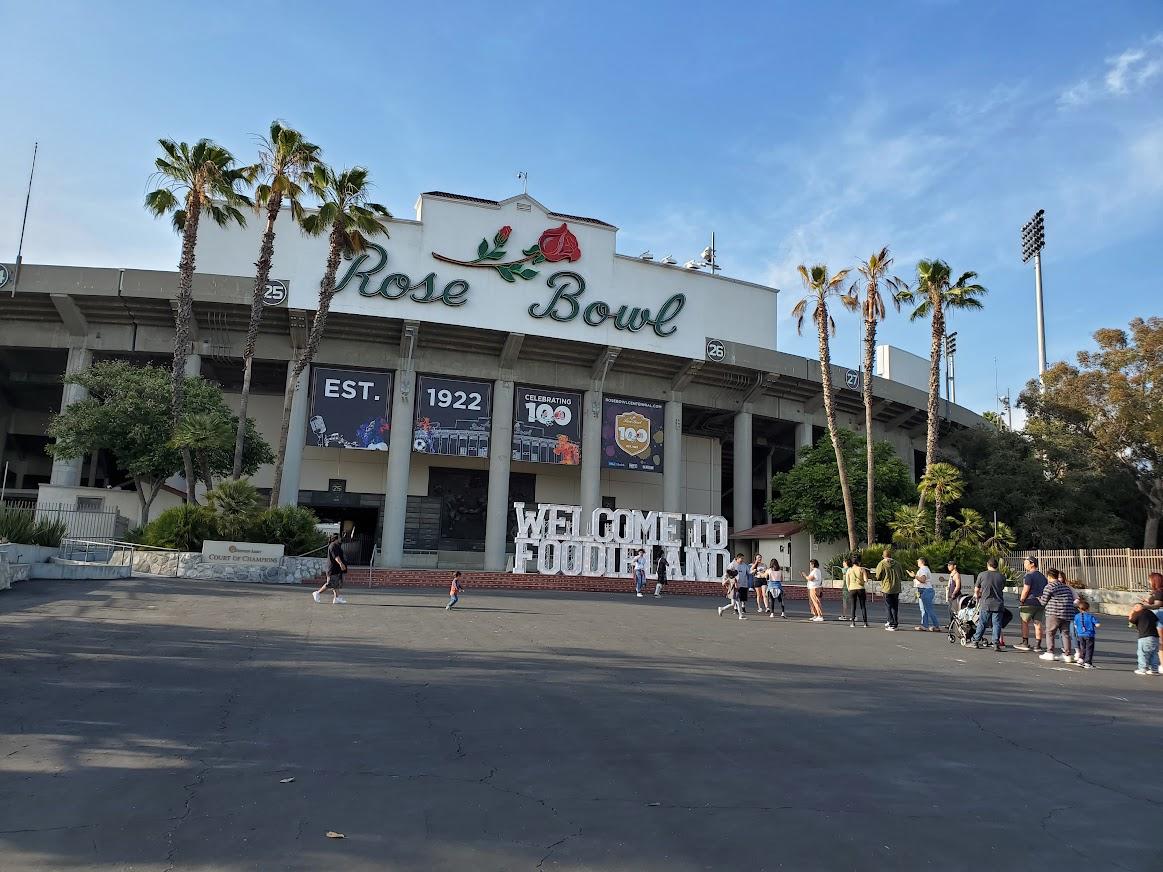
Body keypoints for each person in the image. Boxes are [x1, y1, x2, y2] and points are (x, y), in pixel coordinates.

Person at [1038, 568, 1077, 662]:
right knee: (1065, 634)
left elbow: (1043, 602)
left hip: (1054, 613)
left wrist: (1038, 598)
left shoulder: (1049, 586)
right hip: (1068, 613)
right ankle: (1067, 655)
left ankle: (1050, 652)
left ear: (1049, 576)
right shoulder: (1065, 587)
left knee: (1050, 633)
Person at [970, 557, 1007, 651]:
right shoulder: (1002, 576)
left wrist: (977, 596)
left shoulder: (982, 575)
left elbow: (976, 590)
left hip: (986, 603)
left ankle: (975, 641)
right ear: (997, 565)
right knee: (997, 624)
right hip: (998, 603)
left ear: (988, 564)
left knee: (982, 623)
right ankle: (995, 643)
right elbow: (1002, 588)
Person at [1015, 556, 1048, 653]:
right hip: (1040, 603)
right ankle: (1038, 645)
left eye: (1026, 563)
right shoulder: (1043, 577)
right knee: (1038, 623)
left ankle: (1025, 642)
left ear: (1032, 563)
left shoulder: (1028, 575)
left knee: (1024, 622)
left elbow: (1026, 589)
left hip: (1029, 602)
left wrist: (1022, 599)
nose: (1025, 565)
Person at [875, 548, 906, 631]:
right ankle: (895, 622)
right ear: (891, 555)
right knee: (895, 606)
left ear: (883, 556)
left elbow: (878, 576)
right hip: (896, 587)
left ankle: (891, 623)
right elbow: (902, 575)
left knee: (888, 606)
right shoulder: (898, 564)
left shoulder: (881, 564)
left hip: (886, 587)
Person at [312, 533, 347, 604]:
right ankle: (317, 593)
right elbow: (336, 556)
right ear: (336, 539)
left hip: (335, 569)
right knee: (330, 583)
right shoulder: (333, 546)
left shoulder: (336, 545)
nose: (340, 539)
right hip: (332, 569)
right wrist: (341, 564)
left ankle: (336, 598)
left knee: (336, 584)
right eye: (339, 538)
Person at [1128, 603, 1160, 675]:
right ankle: (1154, 670)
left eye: (1136, 606)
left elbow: (1131, 621)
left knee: (1142, 653)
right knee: (1154, 653)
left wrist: (1132, 612)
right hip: (1155, 636)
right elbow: (1156, 621)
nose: (1134, 608)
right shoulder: (1149, 612)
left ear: (1140, 607)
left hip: (1145, 636)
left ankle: (1142, 669)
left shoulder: (1138, 613)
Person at [913, 557, 940, 631]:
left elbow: (923, 580)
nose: (917, 562)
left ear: (922, 562)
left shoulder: (923, 569)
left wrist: (914, 576)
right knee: (924, 610)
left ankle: (936, 626)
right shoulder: (924, 569)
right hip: (923, 591)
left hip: (925, 590)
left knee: (928, 609)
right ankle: (925, 625)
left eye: (918, 560)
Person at [1071, 597, 1099, 668]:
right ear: (1088, 608)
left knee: (1082, 648)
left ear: (1079, 609)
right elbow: (1097, 624)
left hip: (1080, 634)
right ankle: (1088, 662)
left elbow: (1075, 625)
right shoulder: (1090, 616)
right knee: (1089, 648)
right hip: (1089, 634)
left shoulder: (1076, 616)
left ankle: (1081, 659)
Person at [845, 555, 870, 628]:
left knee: (853, 606)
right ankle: (865, 622)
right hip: (861, 588)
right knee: (863, 606)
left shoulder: (849, 570)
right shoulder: (862, 569)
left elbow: (847, 581)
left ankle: (853, 622)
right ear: (859, 561)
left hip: (852, 589)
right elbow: (866, 580)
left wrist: (849, 588)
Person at [837, 556, 853, 622]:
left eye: (844, 562)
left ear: (846, 563)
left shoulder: (845, 570)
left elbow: (843, 570)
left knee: (845, 602)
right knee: (852, 602)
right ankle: (853, 616)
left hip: (846, 587)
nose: (843, 563)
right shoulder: (851, 569)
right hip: (852, 587)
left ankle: (844, 615)